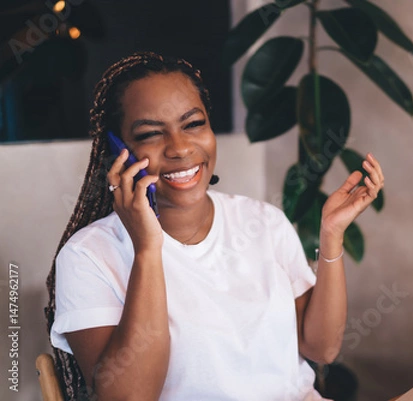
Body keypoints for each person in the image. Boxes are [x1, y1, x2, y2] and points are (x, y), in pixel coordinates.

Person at [45, 52, 385, 401]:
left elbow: (321, 348)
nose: (180, 148)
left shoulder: (264, 221)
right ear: (119, 152)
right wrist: (147, 249)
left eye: (193, 124)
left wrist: (330, 235)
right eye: (150, 133)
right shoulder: (88, 256)